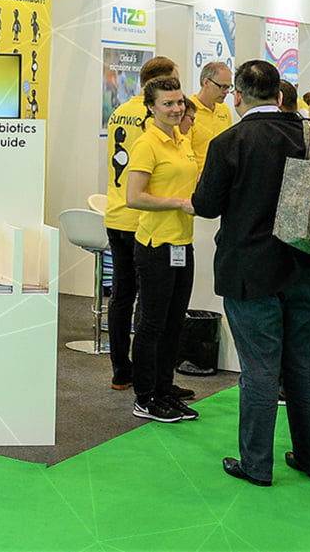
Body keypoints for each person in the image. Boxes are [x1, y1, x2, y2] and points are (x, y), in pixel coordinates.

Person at [191, 59, 310, 487]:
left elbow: (206, 205)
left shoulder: (230, 142)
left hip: (251, 271)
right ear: (279, 96)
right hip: (308, 267)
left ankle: (257, 464)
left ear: (238, 97)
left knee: (259, 369)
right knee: (305, 366)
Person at [124, 77, 200, 423]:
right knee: (152, 324)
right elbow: (134, 197)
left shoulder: (182, 139)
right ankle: (145, 396)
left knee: (174, 322)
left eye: (179, 102)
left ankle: (164, 390)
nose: (176, 109)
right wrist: (178, 203)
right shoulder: (147, 144)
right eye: (167, 103)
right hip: (156, 245)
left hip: (183, 242)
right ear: (151, 107)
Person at [103, 55, 179, 391]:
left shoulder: (119, 110)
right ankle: (148, 377)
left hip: (116, 212)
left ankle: (122, 370)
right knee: (149, 304)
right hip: (142, 219)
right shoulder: (152, 119)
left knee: (121, 295)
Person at [188, 61, 233, 174]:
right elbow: (184, 152)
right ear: (206, 82)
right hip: (197, 178)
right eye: (222, 86)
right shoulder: (188, 111)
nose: (226, 91)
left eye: (228, 87)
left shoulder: (225, 110)